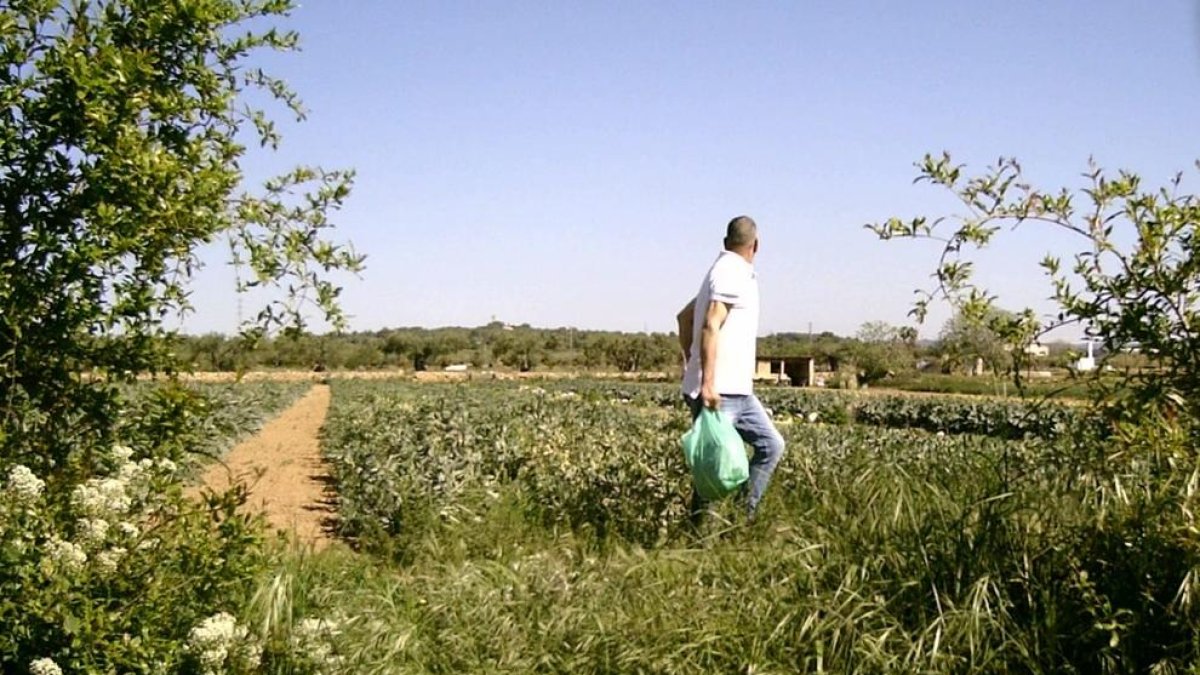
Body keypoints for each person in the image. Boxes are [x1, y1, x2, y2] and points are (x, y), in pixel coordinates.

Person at [676, 215, 785, 524]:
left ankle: (740, 518)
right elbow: (710, 323)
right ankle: (703, 540)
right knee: (712, 467)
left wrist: (692, 362)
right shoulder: (731, 271)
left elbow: (684, 318)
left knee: (771, 444)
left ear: (726, 242)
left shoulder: (724, 272)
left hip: (737, 391)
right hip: (719, 391)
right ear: (757, 245)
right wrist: (707, 381)